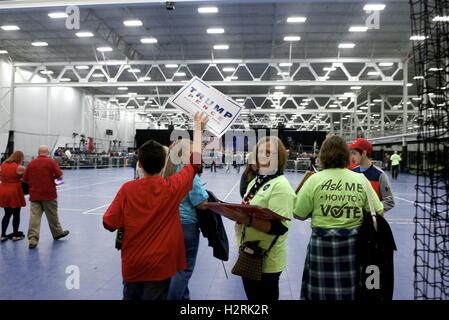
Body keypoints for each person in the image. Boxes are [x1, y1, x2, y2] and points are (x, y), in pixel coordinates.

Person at [102, 112, 208, 300]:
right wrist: (199, 129)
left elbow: (109, 223)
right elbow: (195, 164)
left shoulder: (127, 189)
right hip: (159, 266)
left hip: (132, 264)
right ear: (163, 165)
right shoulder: (172, 188)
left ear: (139, 164)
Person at [294, 135, 384, 300]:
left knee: (318, 294)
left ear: (323, 155)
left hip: (321, 247)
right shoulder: (361, 180)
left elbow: (298, 213)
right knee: (350, 293)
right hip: (353, 248)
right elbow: (378, 211)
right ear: (346, 155)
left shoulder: (314, 180)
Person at [235, 136, 295, 301]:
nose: (263, 156)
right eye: (260, 151)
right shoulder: (256, 180)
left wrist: (248, 220)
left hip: (266, 259)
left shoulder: (281, 187)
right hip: (249, 252)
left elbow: (280, 227)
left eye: (268, 152)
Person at [164, 139, 209, 300]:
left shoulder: (166, 169)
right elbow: (201, 202)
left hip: (167, 224)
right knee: (184, 268)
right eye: (191, 152)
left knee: (172, 267)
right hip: (186, 225)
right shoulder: (186, 170)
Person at [23, 145, 69, 249]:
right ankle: (57, 233)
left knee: (34, 217)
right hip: (49, 194)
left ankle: (33, 240)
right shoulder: (51, 162)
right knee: (52, 215)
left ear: (38, 152)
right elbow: (59, 176)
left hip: (35, 194)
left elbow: (25, 179)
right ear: (47, 152)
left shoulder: (31, 163)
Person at [349, 138, 395, 212]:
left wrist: (372, 211)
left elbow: (389, 202)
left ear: (364, 153)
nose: (352, 157)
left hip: (371, 221)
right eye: (351, 154)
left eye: (354, 153)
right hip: (354, 221)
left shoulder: (380, 175)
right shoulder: (352, 173)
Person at [0, 151, 26, 242]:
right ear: (20, 158)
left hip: (3, 189)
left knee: (7, 214)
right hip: (14, 191)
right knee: (16, 213)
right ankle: (15, 235)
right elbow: (27, 178)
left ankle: (3, 235)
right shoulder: (19, 167)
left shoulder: (3, 164)